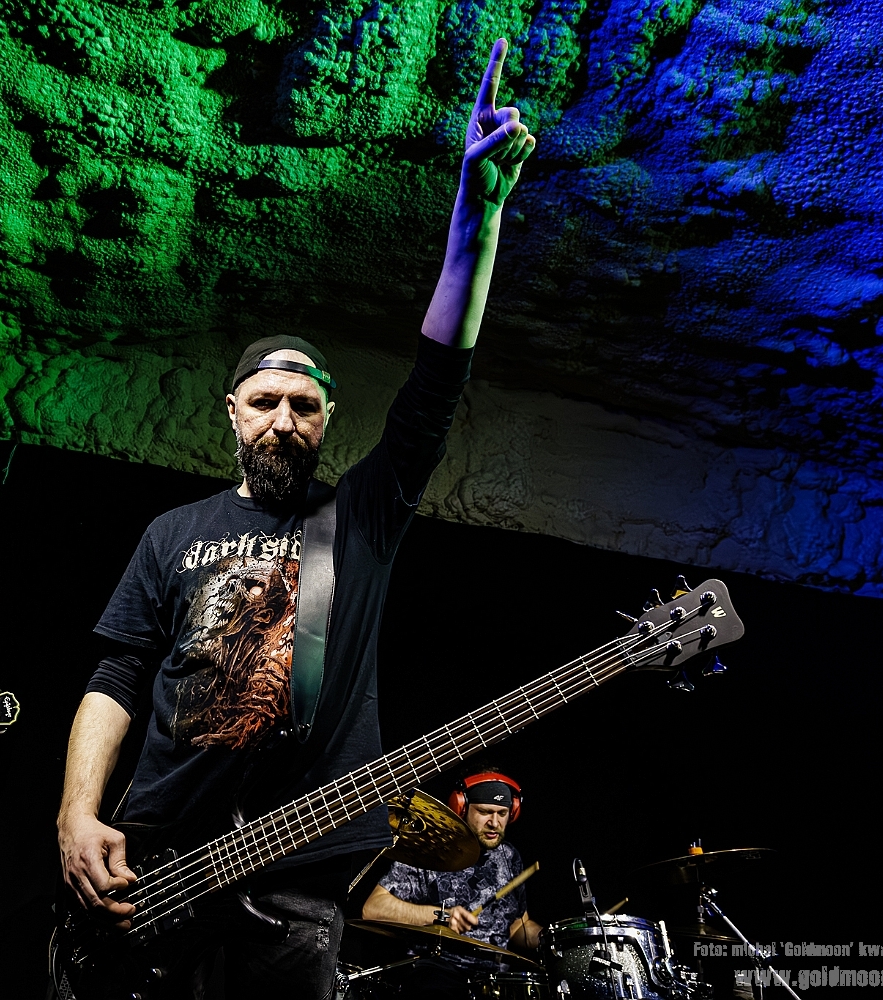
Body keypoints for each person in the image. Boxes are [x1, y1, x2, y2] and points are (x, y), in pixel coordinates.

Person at [55, 37, 537, 999]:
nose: (283, 419)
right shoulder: (171, 533)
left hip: (290, 876)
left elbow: (436, 386)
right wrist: (77, 813)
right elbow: (117, 676)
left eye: (304, 406)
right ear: (232, 414)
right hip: (150, 861)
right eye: (265, 401)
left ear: (326, 421)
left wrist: (476, 220)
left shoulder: (359, 520)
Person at [362, 771, 542, 997]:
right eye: (485, 812)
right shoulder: (432, 850)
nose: (494, 823)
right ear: (462, 807)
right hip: (438, 975)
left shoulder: (509, 856)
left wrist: (549, 938)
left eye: (502, 813)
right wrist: (442, 916)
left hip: (493, 983)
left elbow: (516, 926)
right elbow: (373, 908)